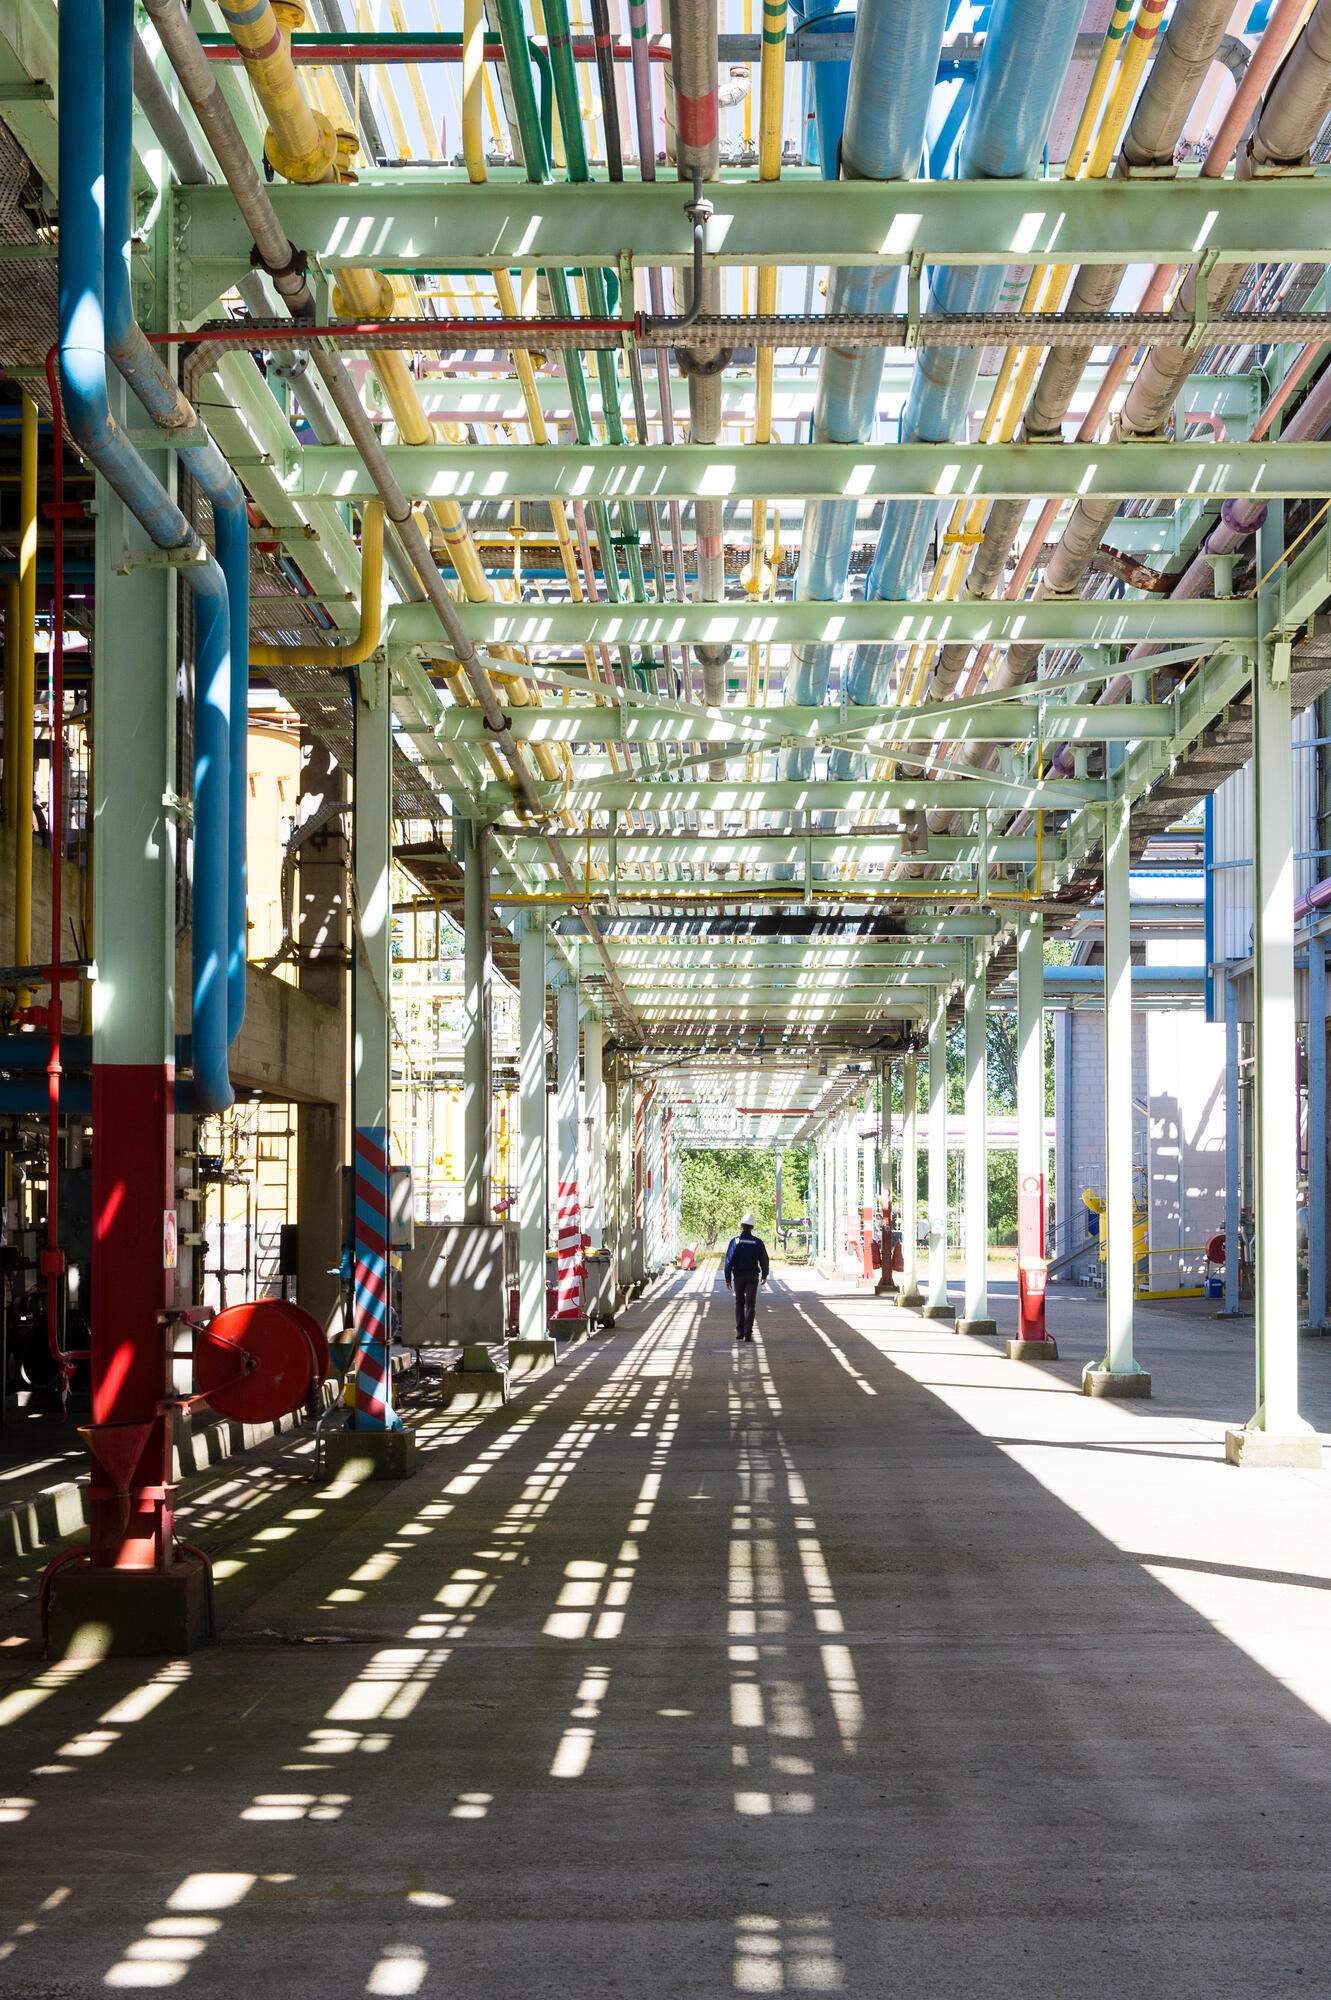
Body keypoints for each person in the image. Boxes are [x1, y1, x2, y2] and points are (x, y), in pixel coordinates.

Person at [724, 1212, 770, 1342]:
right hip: (752, 1277)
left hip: (738, 1277)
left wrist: (728, 1278)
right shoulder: (757, 1242)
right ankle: (748, 1333)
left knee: (739, 1303)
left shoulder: (735, 1241)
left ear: (741, 1226)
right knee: (750, 1305)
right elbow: (764, 1260)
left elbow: (728, 1261)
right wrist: (764, 1274)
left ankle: (740, 1331)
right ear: (752, 1227)